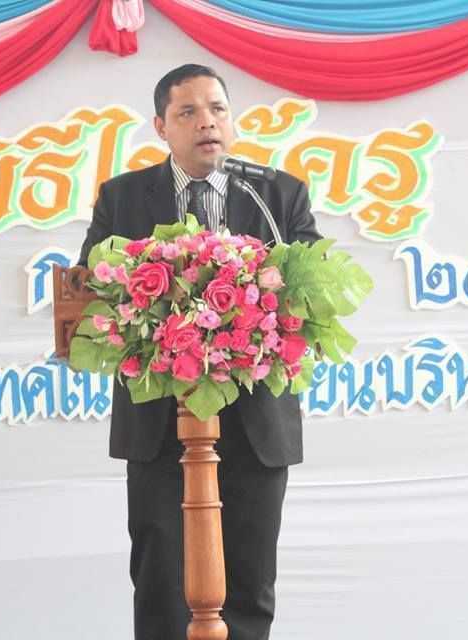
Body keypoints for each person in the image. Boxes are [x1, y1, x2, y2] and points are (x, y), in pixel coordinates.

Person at [76, 63, 321, 640]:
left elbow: (312, 290)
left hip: (255, 420)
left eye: (217, 109)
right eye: (188, 112)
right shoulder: (124, 197)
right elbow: (89, 290)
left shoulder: (277, 193)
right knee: (160, 577)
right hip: (161, 422)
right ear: (161, 127)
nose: (207, 122)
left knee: (250, 580)